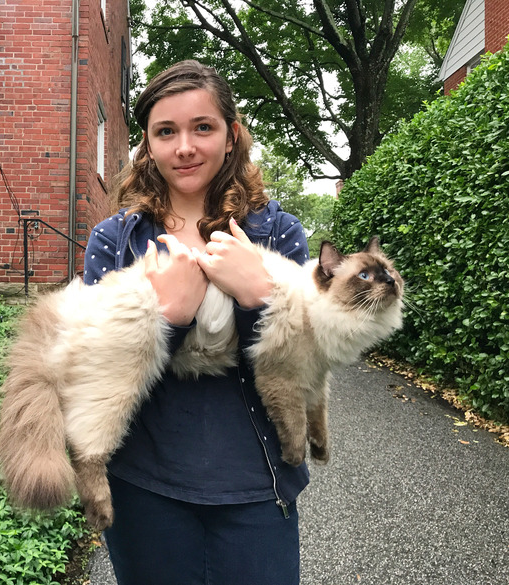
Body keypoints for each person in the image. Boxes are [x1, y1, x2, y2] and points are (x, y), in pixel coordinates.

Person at [83, 60, 310, 585]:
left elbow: (306, 369)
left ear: (231, 137)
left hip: (255, 484)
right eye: (166, 131)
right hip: (144, 485)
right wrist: (169, 318)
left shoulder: (276, 232)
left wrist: (257, 296)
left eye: (201, 127)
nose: (184, 146)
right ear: (147, 144)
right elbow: (95, 373)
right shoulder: (115, 241)